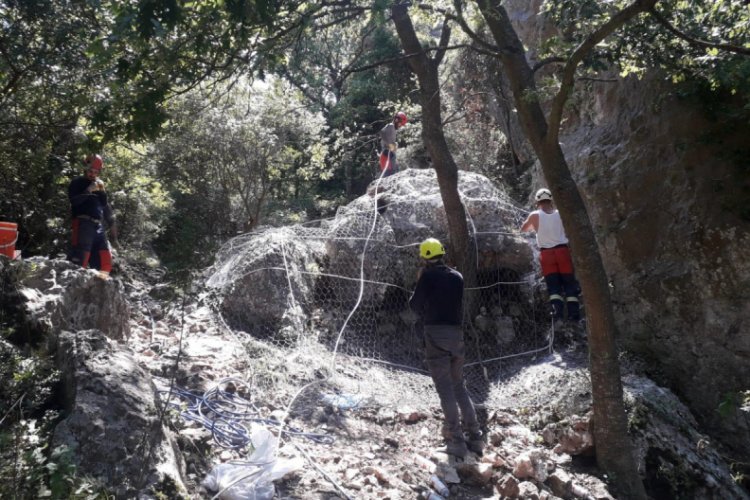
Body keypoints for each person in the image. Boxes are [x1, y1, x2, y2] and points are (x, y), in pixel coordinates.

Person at [409, 238, 483, 458]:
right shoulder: (457, 276)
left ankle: (457, 440)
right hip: (456, 334)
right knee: (459, 385)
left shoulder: (428, 276)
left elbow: (414, 306)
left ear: (424, 257)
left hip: (435, 334)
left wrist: (420, 281)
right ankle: (476, 436)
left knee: (445, 388)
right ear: (441, 253)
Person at [520, 188, 581, 324]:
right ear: (551, 200)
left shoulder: (534, 215)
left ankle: (557, 314)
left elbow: (523, 229)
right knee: (569, 283)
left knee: (553, 286)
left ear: (537, 201)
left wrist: (536, 227)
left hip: (546, 254)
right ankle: (574, 316)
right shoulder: (560, 214)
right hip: (562, 252)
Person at [68, 154, 117, 277]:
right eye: (91, 171)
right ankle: (74, 290)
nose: (93, 174)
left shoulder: (99, 185)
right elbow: (74, 201)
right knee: (80, 260)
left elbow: (105, 207)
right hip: (83, 224)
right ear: (85, 169)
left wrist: (112, 227)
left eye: (96, 172)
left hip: (98, 227)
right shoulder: (77, 182)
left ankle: (101, 291)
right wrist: (89, 190)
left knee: (105, 262)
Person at [378, 111, 408, 177]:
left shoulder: (393, 129)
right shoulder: (391, 126)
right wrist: (390, 144)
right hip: (386, 155)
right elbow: (382, 133)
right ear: (396, 120)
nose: (400, 126)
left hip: (389, 155)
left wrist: (393, 144)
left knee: (392, 173)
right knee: (388, 174)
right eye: (400, 124)